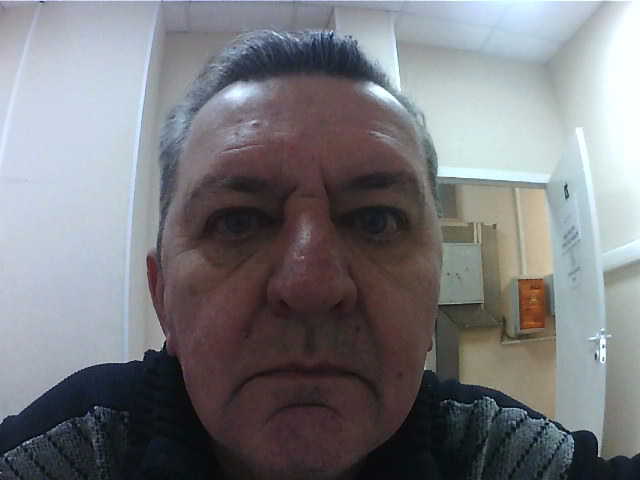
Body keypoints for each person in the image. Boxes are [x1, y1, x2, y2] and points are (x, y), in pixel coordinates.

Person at [0, 30, 637, 480]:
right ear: (162, 295)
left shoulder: (495, 454)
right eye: (237, 220)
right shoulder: (74, 450)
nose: (311, 285)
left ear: (435, 285)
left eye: (377, 220)